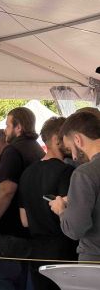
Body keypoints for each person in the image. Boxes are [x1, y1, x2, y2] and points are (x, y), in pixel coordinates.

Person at [0, 107, 45, 290]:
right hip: (31, 232)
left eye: (7, 125)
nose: (5, 129)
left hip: (9, 234)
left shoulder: (12, 151)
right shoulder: (38, 150)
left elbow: (7, 189)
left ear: (18, 127)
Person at [19, 117, 76, 290]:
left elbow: (24, 221)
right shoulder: (67, 172)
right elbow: (73, 216)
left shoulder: (27, 173)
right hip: (64, 251)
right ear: (56, 139)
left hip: (37, 253)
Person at [49, 111, 100, 262]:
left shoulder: (85, 173)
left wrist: (61, 210)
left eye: (70, 148)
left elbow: (75, 229)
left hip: (94, 260)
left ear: (78, 139)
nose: (74, 156)